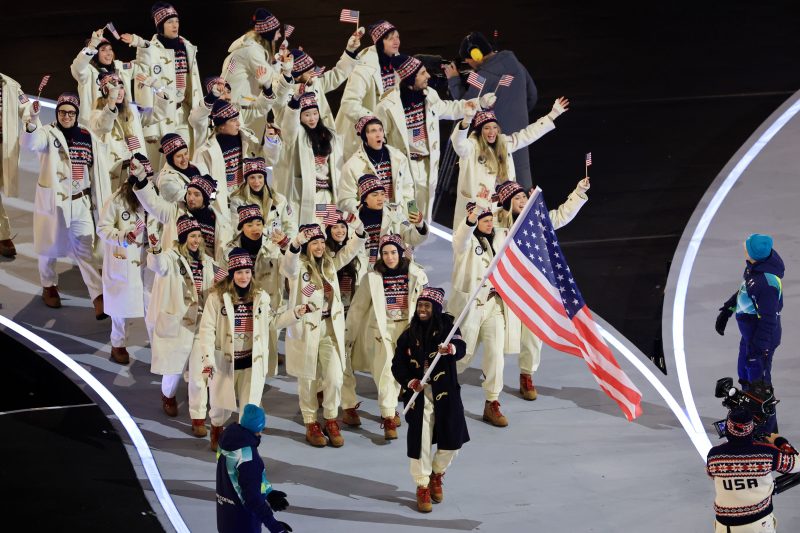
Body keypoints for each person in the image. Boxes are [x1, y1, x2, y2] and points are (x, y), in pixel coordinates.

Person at [198, 248, 304, 450]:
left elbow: (272, 321)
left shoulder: (260, 296)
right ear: (231, 274)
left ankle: (244, 441)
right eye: (239, 272)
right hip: (226, 361)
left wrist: (294, 314)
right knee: (220, 406)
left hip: (251, 362)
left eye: (247, 272)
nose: (244, 277)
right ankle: (217, 429)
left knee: (249, 406)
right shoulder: (217, 298)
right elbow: (207, 330)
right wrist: (208, 359)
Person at [493, 179, 590, 400]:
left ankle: (526, 375)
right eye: (517, 198)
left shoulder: (535, 222)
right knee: (496, 338)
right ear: (507, 203)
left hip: (532, 289)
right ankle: (487, 373)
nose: (522, 201)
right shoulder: (496, 226)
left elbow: (562, 215)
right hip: (504, 289)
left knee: (533, 336)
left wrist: (579, 191)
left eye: (524, 197)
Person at [21, 92, 110, 318]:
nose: (66, 116)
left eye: (71, 112)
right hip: (54, 202)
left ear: (77, 114)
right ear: (57, 112)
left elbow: (96, 167)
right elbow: (31, 143)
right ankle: (49, 285)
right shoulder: (47, 132)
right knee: (48, 247)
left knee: (85, 249)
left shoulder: (86, 135)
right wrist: (32, 121)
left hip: (81, 201)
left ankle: (98, 296)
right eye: (62, 112)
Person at [280, 222, 366, 448]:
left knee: (335, 378)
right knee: (308, 379)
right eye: (314, 243)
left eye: (321, 242)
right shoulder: (298, 267)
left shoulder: (329, 264)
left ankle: (330, 419)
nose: (319, 247)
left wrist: (358, 230)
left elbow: (350, 251)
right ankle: (311, 422)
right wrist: (296, 242)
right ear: (306, 246)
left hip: (329, 329)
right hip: (306, 331)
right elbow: (287, 265)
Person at [376, 53, 491, 219]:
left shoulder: (429, 95)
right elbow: (377, 142)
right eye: (422, 73)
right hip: (405, 167)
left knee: (424, 213)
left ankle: (420, 234)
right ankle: (407, 234)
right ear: (410, 79)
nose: (428, 76)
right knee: (408, 210)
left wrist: (479, 103)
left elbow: (450, 108)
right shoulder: (387, 107)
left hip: (427, 166)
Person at [145, 213, 226, 435]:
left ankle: (198, 418)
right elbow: (158, 265)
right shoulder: (170, 258)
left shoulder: (207, 261)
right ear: (183, 238)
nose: (196, 240)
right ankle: (168, 395)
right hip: (179, 324)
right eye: (192, 236)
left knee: (199, 375)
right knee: (173, 371)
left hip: (200, 324)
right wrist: (155, 249)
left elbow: (225, 278)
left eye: (199, 236)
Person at [391, 287, 469, 513]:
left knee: (453, 440)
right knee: (421, 441)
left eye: (427, 306)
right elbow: (397, 365)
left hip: (446, 392)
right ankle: (423, 485)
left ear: (435, 308)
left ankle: (437, 473)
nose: (422, 310)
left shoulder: (449, 327)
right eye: (420, 306)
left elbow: (461, 347)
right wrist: (410, 382)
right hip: (420, 395)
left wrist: (451, 349)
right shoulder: (409, 333)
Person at [344, 233, 427, 439]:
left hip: (407, 331)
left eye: (393, 252)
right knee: (386, 372)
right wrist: (348, 337)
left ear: (401, 253)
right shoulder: (372, 278)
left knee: (401, 372)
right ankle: (388, 416)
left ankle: (389, 408)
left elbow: (426, 307)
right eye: (385, 253)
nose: (390, 257)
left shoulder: (416, 275)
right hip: (381, 331)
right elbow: (357, 309)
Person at [446, 31, 540, 190]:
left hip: (493, 139)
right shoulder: (518, 65)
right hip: (520, 132)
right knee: (521, 181)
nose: (467, 63)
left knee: (499, 187)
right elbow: (532, 96)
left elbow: (466, 107)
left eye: (467, 59)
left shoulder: (481, 76)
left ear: (476, 55)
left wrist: (453, 80)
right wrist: (516, 115)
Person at [451, 100, 569, 226]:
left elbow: (527, 135)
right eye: (487, 128)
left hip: (502, 207)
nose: (492, 132)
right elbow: (458, 143)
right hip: (477, 208)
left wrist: (553, 114)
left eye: (494, 127)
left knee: (501, 236)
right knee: (470, 236)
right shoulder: (471, 147)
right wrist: (467, 120)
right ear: (480, 131)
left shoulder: (504, 143)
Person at [715, 234, 784, 434]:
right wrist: (727, 310)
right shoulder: (754, 269)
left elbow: (769, 320)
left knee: (760, 387)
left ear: (754, 253)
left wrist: (758, 350)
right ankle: (748, 421)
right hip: (749, 337)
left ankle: (767, 432)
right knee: (746, 378)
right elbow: (744, 291)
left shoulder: (766, 283)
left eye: (747, 246)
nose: (744, 247)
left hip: (760, 340)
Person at [447, 202, 509, 426]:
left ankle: (492, 402)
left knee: (496, 356)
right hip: (471, 307)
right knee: (461, 357)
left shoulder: (500, 237)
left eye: (491, 219)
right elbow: (462, 235)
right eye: (485, 220)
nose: (490, 223)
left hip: (494, 305)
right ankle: (439, 388)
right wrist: (473, 215)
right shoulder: (464, 242)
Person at [96, 154, 161, 364]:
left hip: (150, 257)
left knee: (153, 304)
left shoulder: (155, 197)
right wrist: (124, 236)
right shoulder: (117, 200)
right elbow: (102, 229)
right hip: (125, 258)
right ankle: (118, 344)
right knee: (120, 308)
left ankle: (158, 349)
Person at [122, 2, 202, 164]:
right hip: (162, 117)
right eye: (169, 22)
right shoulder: (152, 50)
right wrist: (138, 41)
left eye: (177, 21)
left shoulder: (187, 47)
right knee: (163, 163)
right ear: (160, 26)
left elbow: (193, 83)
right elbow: (144, 57)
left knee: (187, 158)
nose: (175, 25)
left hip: (184, 113)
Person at [706, 408, 800, 532]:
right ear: (751, 429)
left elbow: (711, 474)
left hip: (724, 526)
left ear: (728, 428)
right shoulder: (767, 453)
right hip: (758, 524)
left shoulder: (714, 455)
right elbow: (797, 464)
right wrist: (779, 441)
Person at [225, 199, 294, 365]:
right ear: (241, 227)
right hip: (241, 303)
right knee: (243, 348)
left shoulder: (274, 245)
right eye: (249, 225)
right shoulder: (230, 249)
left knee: (266, 352)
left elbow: (291, 270)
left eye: (258, 224)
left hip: (269, 302)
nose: (255, 228)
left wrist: (286, 248)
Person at [133, 160, 233, 265]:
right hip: (179, 270)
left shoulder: (220, 223)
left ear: (205, 199)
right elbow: (152, 203)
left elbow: (223, 257)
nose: (191, 198)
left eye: (196, 195)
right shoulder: (174, 211)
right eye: (189, 193)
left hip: (206, 272)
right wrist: (141, 179)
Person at [216, 403, 293, 533]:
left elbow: (238, 477)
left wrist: (269, 493)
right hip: (244, 523)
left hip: (225, 516)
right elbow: (253, 499)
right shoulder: (248, 456)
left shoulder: (226, 442)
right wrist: (274, 526)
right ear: (260, 428)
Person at [89, 72, 170, 190]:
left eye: (121, 87)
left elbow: (158, 113)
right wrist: (112, 100)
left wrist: (158, 88)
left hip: (138, 172)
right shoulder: (97, 114)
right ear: (105, 91)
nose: (119, 92)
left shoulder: (133, 110)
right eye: (114, 88)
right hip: (114, 176)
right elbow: (104, 126)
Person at [273, 90, 343, 226]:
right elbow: (288, 128)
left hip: (325, 194)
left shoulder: (329, 135)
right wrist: (295, 101)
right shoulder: (297, 133)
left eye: (315, 113)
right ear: (299, 116)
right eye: (307, 115)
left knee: (327, 228)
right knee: (307, 228)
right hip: (304, 193)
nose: (312, 118)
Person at [335, 20, 402, 159]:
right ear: (380, 42)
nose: (396, 41)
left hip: (388, 134)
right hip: (363, 136)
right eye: (391, 38)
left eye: (397, 37)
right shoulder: (364, 67)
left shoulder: (399, 63)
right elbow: (349, 104)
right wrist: (374, 122)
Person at [271, 30, 361, 129]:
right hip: (296, 138)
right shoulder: (280, 90)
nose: (313, 75)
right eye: (309, 72)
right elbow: (280, 116)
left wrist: (350, 51)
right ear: (297, 75)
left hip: (323, 136)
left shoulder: (314, 82)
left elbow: (337, 74)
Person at [193, 99, 269, 215]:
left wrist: (272, 141)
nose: (238, 123)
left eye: (237, 119)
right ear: (221, 126)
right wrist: (211, 203)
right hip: (223, 202)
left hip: (246, 196)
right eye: (233, 120)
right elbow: (205, 182)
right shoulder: (205, 151)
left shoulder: (247, 140)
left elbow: (268, 159)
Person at [338, 115, 414, 217]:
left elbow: (408, 190)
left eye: (380, 130)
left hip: (398, 216)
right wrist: (365, 209)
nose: (378, 134)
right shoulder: (352, 165)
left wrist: (413, 212)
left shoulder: (399, 158)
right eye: (373, 131)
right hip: (371, 219)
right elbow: (345, 200)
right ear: (364, 136)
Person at [353, 174, 427, 268]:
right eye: (375, 195)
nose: (380, 198)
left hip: (392, 268)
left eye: (382, 194)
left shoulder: (396, 215)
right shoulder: (351, 219)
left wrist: (419, 225)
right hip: (363, 270)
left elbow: (411, 237)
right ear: (364, 198)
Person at [70, 28, 139, 126]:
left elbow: (144, 66)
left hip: (122, 125)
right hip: (95, 127)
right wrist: (93, 45)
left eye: (110, 49)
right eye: (103, 50)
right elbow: (77, 67)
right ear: (95, 54)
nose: (109, 53)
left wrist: (138, 42)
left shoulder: (120, 68)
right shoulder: (87, 72)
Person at [0, 72, 32, 258]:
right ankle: (3, 234)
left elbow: (26, 108)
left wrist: (31, 121)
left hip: (4, 146)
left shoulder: (11, 86)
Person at [154, 133, 203, 203]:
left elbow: (215, 191)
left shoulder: (195, 167)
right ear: (170, 159)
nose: (184, 159)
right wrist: (208, 193)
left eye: (186, 153)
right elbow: (192, 202)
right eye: (179, 156)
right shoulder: (166, 181)